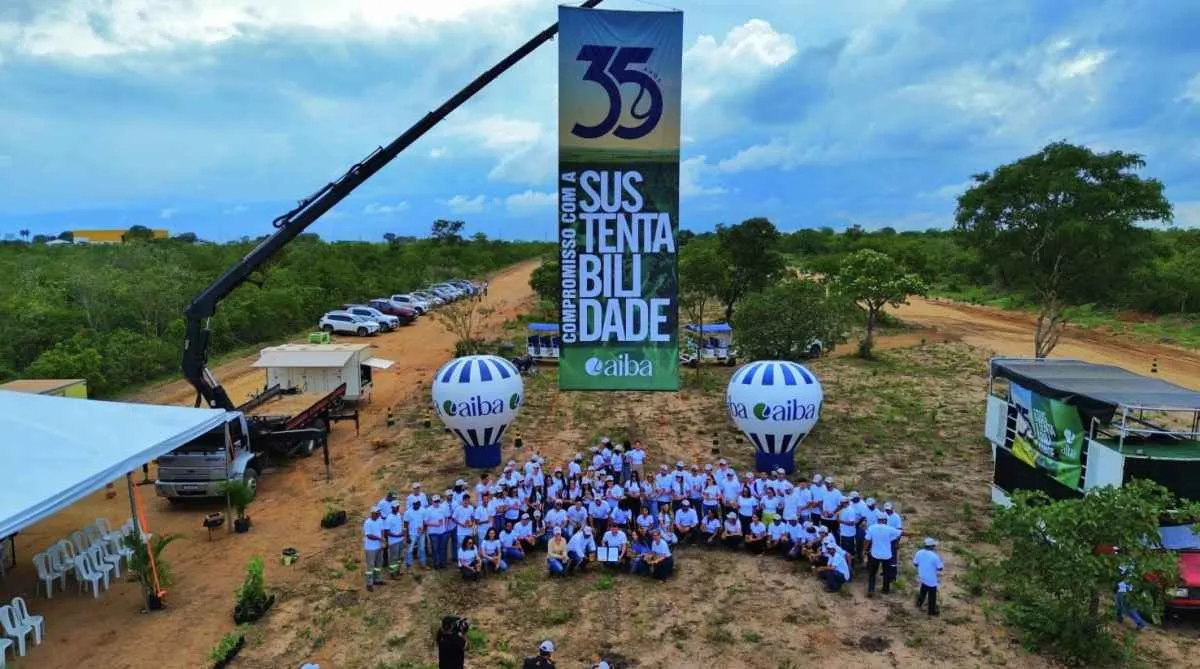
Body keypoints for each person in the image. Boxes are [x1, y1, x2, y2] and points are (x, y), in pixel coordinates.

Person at [863, 514, 902, 595]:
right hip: (887, 555)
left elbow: (867, 540)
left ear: (878, 520)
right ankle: (885, 590)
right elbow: (901, 533)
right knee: (886, 573)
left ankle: (871, 590)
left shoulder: (872, 528)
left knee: (872, 573)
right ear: (885, 520)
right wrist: (914, 534)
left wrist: (865, 550)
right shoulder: (889, 529)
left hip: (875, 555)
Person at [912, 537, 944, 616]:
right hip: (931, 579)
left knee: (923, 590)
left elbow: (915, 563)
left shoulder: (919, 552)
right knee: (932, 596)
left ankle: (919, 603)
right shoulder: (934, 556)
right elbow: (940, 568)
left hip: (922, 575)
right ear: (932, 546)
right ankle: (931, 611)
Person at [1116, 558, 1147, 630]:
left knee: (1129, 608)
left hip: (1125, 589)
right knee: (1119, 603)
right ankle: (1119, 617)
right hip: (1124, 588)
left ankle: (1141, 623)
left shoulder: (1126, 564)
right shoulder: (1135, 565)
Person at [363, 508, 386, 591]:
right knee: (370, 567)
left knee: (378, 565)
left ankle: (377, 580)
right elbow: (369, 535)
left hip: (378, 547)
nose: (379, 515)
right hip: (370, 548)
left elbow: (382, 530)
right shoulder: (368, 523)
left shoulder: (379, 520)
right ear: (372, 513)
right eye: (377, 514)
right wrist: (380, 539)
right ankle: (369, 583)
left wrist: (382, 539)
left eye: (379, 514)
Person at [404, 499, 428, 570]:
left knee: (422, 548)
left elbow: (425, 521)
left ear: (420, 504)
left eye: (417, 504)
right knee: (409, 550)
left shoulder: (423, 510)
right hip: (412, 534)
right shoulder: (408, 512)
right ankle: (408, 565)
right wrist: (407, 536)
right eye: (414, 504)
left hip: (421, 534)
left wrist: (424, 530)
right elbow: (405, 525)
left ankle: (423, 564)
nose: (416, 505)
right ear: (412, 504)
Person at [384, 500, 405, 578]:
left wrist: (402, 534)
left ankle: (397, 571)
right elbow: (387, 532)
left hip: (400, 540)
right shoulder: (389, 518)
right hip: (393, 542)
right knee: (393, 558)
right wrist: (397, 536)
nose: (397, 508)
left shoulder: (399, 515)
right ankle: (392, 573)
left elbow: (401, 526)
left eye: (398, 507)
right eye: (396, 507)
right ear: (392, 508)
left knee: (399, 557)